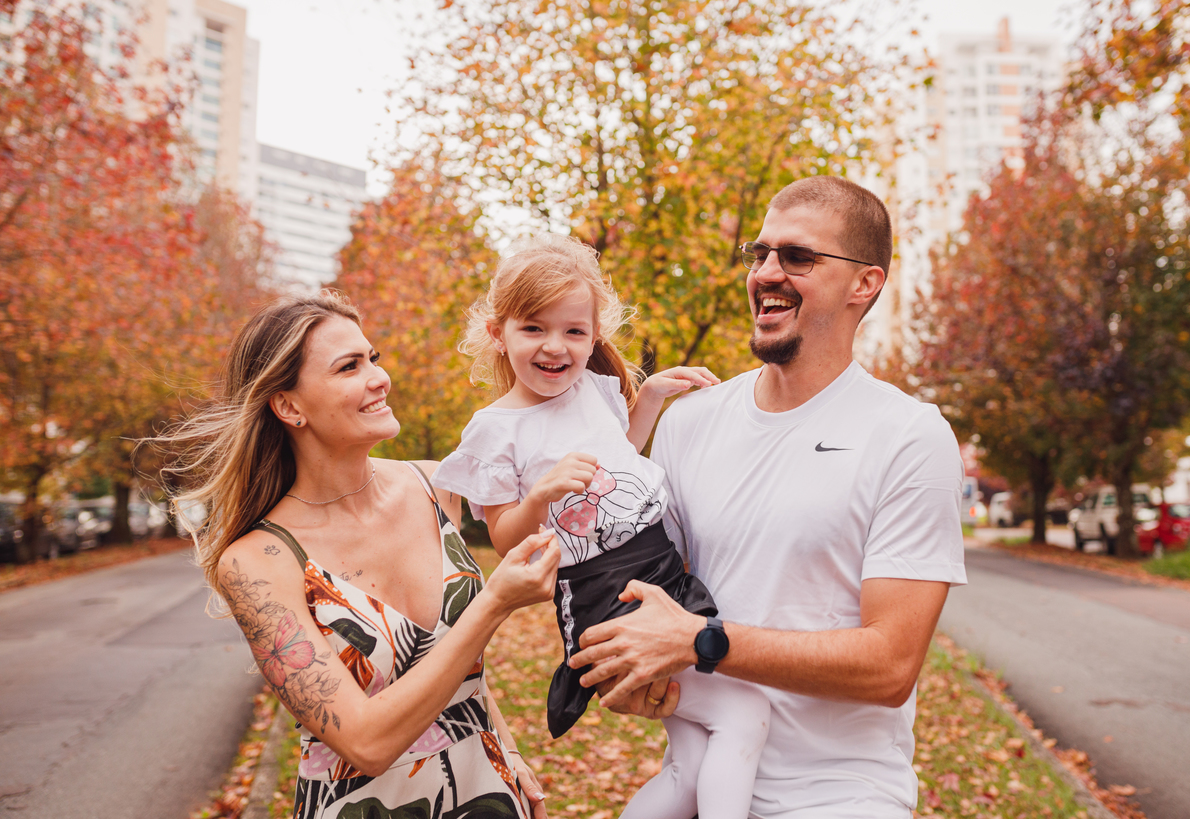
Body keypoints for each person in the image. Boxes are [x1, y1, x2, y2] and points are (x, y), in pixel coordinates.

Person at [569, 176, 968, 819]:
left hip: (841, 796)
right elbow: (654, 592)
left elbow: (891, 664)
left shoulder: (910, 436)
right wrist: (627, 664)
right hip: (699, 782)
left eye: (798, 257)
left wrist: (704, 642)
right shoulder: (690, 422)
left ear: (864, 283)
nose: (767, 273)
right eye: (760, 254)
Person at [155, 292, 560, 819]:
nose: (378, 378)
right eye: (349, 366)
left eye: (374, 358)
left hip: (489, 792)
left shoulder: (438, 484)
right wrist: (494, 604)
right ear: (289, 406)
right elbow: (365, 744)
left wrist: (506, 749)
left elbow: (452, 666)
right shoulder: (257, 562)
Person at [431, 233, 773, 819]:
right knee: (746, 714)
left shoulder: (593, 390)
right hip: (601, 591)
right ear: (498, 332)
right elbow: (508, 540)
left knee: (690, 760)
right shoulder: (495, 429)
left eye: (574, 331)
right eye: (533, 329)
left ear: (594, 337)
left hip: (659, 566)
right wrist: (539, 494)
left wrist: (651, 400)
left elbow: (622, 460)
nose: (554, 347)